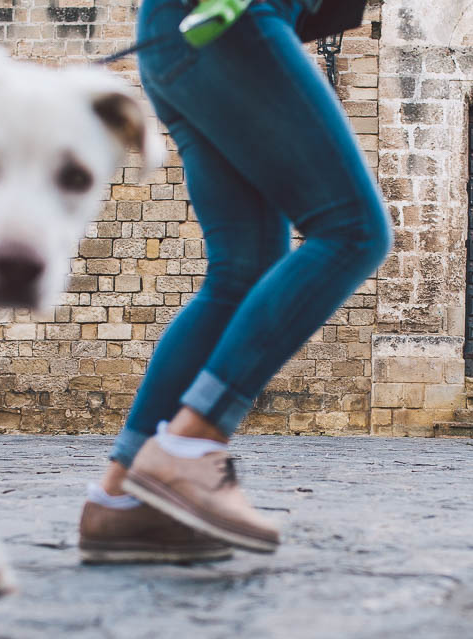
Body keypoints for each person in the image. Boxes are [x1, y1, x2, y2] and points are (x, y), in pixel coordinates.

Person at [77, 0, 391, 564]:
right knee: (353, 230)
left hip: (173, 33)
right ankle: (191, 444)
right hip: (232, 19)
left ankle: (119, 502)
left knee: (244, 271)